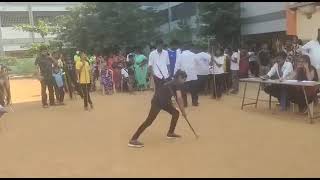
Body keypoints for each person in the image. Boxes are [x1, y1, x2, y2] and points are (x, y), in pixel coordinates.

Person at [128, 70, 188, 148]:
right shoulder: (177, 83)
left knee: (175, 113)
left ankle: (170, 133)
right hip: (157, 102)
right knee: (149, 121)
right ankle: (133, 139)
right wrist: (183, 112)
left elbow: (174, 97)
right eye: (184, 79)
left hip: (165, 102)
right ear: (180, 77)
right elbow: (179, 98)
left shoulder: (172, 82)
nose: (184, 81)